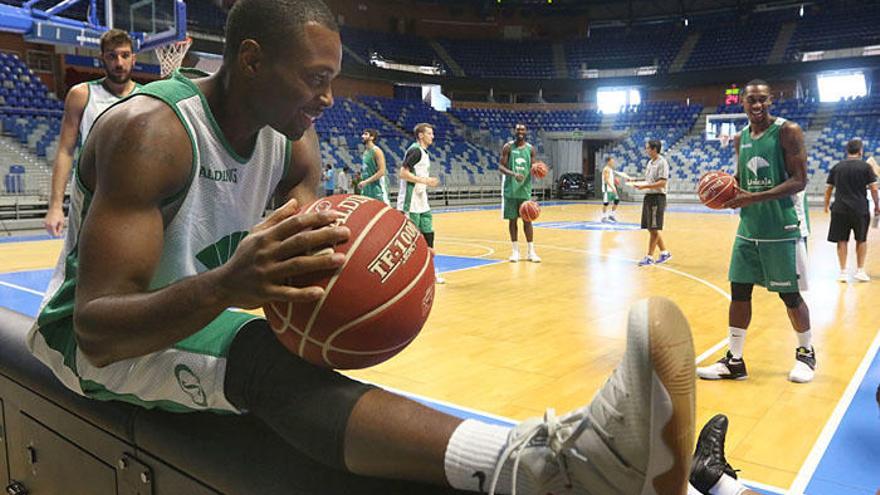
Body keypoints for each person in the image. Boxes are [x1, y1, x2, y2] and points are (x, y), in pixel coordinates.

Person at [24, 1, 712, 493]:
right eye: (315, 78)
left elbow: (310, 258)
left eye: (334, 78)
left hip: (197, 312)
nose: (329, 98)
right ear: (253, 61)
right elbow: (97, 326)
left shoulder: (292, 136)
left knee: (295, 350)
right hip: (95, 341)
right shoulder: (152, 132)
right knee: (261, 357)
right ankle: (547, 467)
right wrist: (228, 287)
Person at [697, 79, 815, 384]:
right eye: (752, 100)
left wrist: (752, 197)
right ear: (743, 103)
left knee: (790, 296)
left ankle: (806, 354)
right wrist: (723, 190)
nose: (757, 105)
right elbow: (741, 178)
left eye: (763, 99)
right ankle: (734, 361)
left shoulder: (788, 131)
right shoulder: (740, 138)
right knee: (738, 291)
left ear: (771, 100)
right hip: (749, 227)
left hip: (783, 225)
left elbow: (799, 181)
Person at [43, 28, 140, 237]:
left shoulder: (148, 98)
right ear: (101, 59)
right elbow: (65, 150)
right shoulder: (82, 94)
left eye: (125, 55)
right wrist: (55, 206)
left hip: (134, 196)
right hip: (91, 194)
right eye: (112, 56)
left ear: (134, 58)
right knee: (84, 265)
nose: (119, 63)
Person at [824, 138, 879, 282]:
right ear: (861, 151)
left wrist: (825, 205)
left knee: (841, 240)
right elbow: (874, 189)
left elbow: (829, 189)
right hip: (860, 209)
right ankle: (860, 270)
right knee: (861, 239)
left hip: (840, 209)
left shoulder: (837, 167)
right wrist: (877, 206)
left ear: (847, 151)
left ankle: (843, 272)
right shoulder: (866, 167)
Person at [397, 123, 445, 284]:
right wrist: (425, 180)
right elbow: (403, 173)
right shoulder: (415, 150)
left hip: (421, 199)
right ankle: (408, 275)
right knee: (413, 239)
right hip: (410, 202)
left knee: (428, 233)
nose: (433, 136)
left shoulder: (423, 152)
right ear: (421, 135)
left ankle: (430, 270)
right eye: (430, 133)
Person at [500, 123, 540, 263]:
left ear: (526, 132)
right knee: (512, 221)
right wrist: (513, 174)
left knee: (527, 220)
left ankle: (531, 252)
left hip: (524, 190)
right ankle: (515, 251)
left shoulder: (530, 149)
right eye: (518, 130)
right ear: (514, 131)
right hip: (511, 189)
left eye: (522, 130)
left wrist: (538, 170)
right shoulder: (508, 147)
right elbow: (501, 166)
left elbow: (533, 167)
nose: (520, 132)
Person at [633, 140, 671, 266]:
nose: (646, 150)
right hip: (649, 197)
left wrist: (645, 186)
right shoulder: (650, 162)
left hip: (657, 197)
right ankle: (664, 253)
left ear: (654, 149)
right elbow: (649, 179)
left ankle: (649, 257)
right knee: (650, 228)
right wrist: (636, 180)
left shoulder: (662, 162)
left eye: (648, 148)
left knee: (654, 228)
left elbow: (662, 182)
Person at [356, 128, 389, 204]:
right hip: (367, 186)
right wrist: (361, 177)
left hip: (377, 186)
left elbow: (382, 171)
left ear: (372, 137)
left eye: (365, 134)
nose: (362, 136)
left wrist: (366, 181)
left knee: (383, 210)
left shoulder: (377, 151)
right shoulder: (365, 152)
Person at [601, 156, 620, 223]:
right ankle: (603, 216)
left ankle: (611, 215)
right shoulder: (606, 169)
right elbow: (606, 180)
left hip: (612, 187)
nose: (613, 163)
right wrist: (612, 187)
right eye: (612, 161)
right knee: (606, 203)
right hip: (607, 188)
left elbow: (610, 179)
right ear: (608, 162)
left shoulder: (611, 169)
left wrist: (615, 181)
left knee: (617, 200)